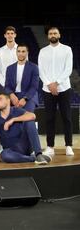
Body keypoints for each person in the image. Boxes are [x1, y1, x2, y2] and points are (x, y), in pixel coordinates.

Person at [38, 27, 74, 156]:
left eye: (55, 33)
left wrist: (56, 83)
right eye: (50, 33)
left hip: (64, 88)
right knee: (49, 118)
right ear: (48, 36)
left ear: (59, 34)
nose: (53, 35)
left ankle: (69, 145)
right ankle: (50, 146)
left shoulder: (67, 49)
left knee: (67, 118)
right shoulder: (43, 51)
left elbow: (68, 69)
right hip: (47, 89)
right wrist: (49, 84)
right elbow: (40, 70)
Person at [0, 92, 52, 165]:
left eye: (0, 99)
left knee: (30, 122)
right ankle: (33, 158)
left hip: (23, 145)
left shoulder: (17, 110)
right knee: (4, 155)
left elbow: (32, 116)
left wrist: (12, 120)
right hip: (10, 149)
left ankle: (38, 154)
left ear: (8, 100)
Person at [4, 44, 39, 112]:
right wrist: (11, 95)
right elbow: (7, 86)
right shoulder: (9, 68)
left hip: (29, 96)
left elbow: (34, 87)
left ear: (27, 53)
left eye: (23, 51)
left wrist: (25, 98)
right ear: (16, 52)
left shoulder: (34, 67)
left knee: (27, 118)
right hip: (14, 95)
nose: (21, 54)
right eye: (19, 51)